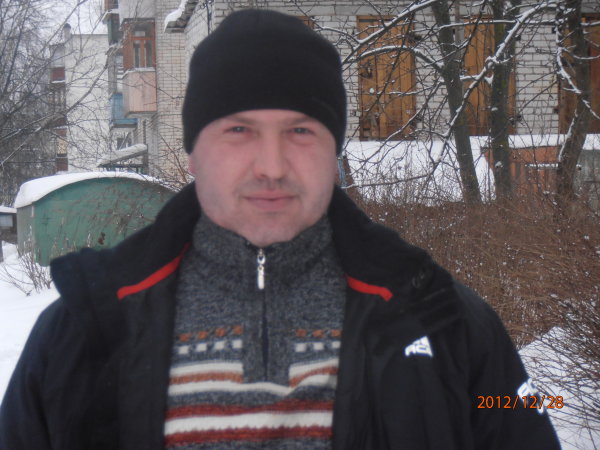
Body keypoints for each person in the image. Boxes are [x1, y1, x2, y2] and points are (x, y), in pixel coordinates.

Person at [0, 9, 560, 450]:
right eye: (239, 130)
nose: (271, 166)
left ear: (334, 150)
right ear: (192, 153)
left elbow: (513, 418)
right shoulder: (84, 334)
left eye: (300, 130)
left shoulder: (442, 323)